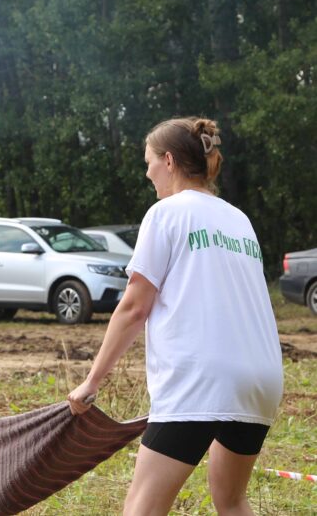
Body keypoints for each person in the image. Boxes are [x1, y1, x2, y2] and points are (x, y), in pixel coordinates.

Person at [68, 117, 283, 515]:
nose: (147, 173)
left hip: (198, 381)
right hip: (260, 380)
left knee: (142, 508)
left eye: (149, 162)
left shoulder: (165, 213)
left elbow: (135, 307)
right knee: (231, 500)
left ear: (168, 160)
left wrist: (91, 381)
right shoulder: (239, 220)